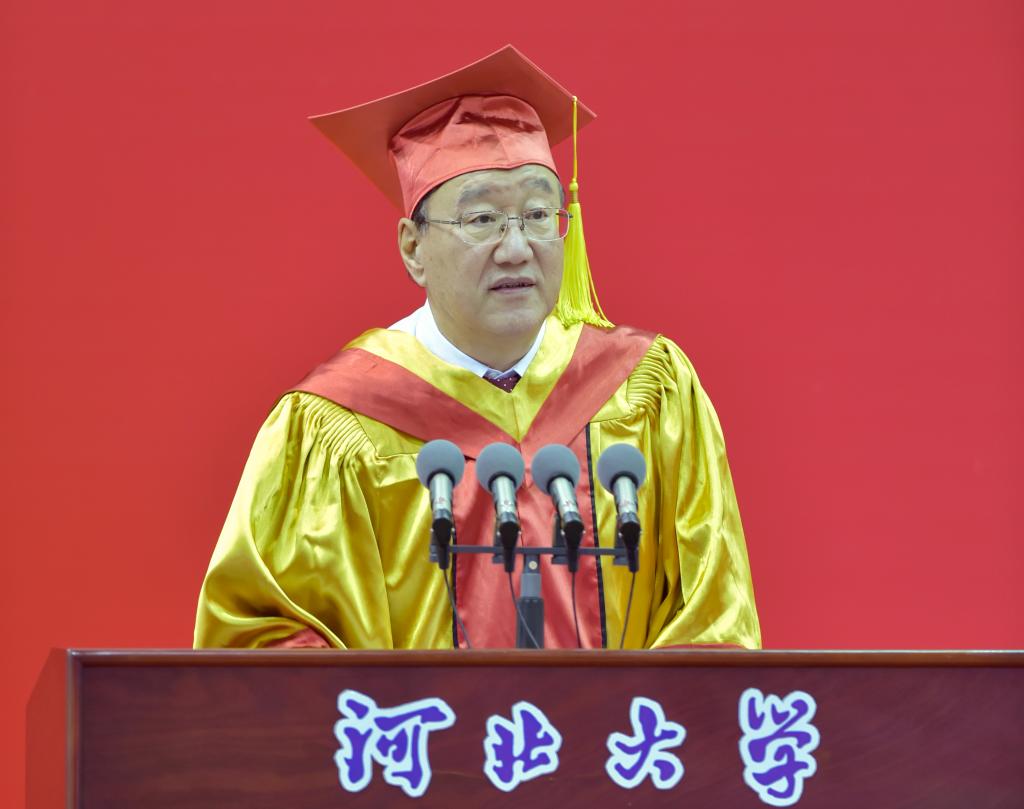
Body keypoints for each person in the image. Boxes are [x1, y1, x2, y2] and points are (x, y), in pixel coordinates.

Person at [193, 46, 761, 650]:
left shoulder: (646, 388)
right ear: (413, 248)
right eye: (482, 220)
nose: (516, 248)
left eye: (538, 215)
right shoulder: (337, 421)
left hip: (617, 719)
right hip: (419, 719)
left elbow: (712, 619)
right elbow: (263, 643)